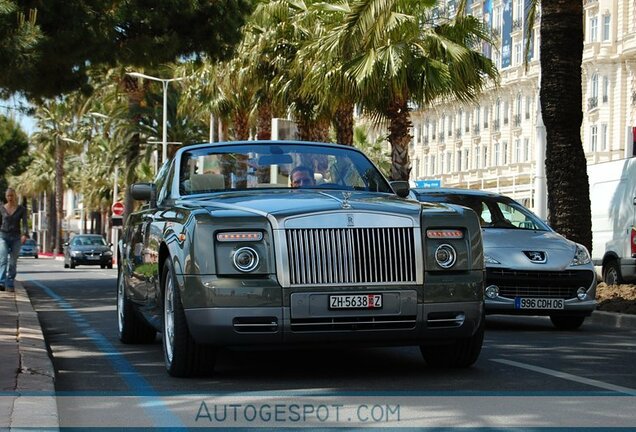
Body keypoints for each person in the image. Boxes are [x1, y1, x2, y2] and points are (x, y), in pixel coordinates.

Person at [0, 188, 29, 292]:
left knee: (12, 261)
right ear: (6, 197)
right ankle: (1, 282)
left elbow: (25, 223)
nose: (10, 198)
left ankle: (10, 282)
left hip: (16, 237)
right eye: (8, 196)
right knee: (3, 259)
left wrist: (25, 235)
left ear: (15, 196)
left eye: (11, 195)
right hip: (3, 236)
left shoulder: (21, 209)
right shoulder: (2, 209)